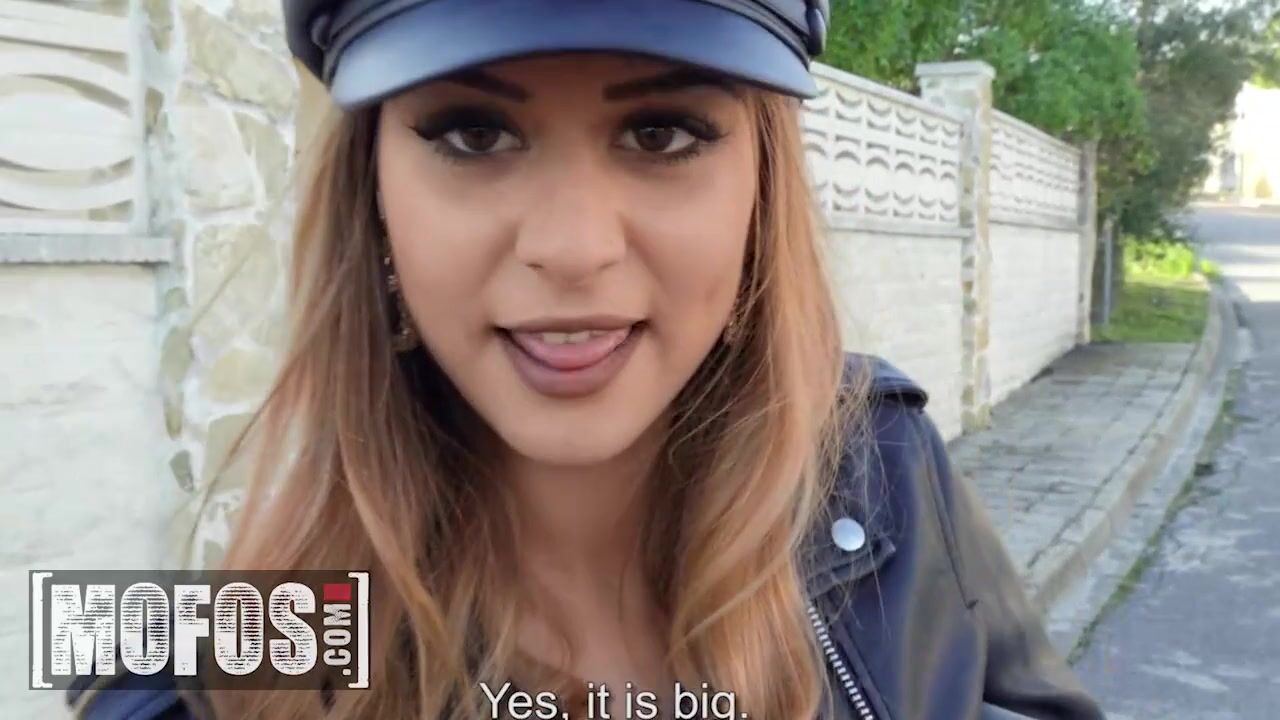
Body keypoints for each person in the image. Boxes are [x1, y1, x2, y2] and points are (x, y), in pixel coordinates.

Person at [70, 1, 1107, 718]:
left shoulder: (884, 471)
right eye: (474, 136)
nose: (572, 249)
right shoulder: (186, 663)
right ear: (372, 203)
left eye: (661, 134)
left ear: (759, 193)